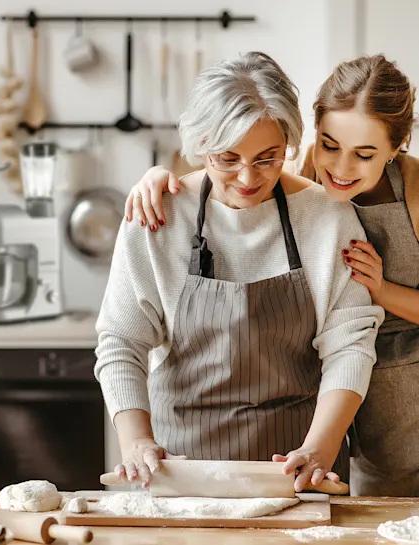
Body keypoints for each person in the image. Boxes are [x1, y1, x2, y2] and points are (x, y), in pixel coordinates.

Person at [126, 54, 419, 496]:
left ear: (397, 148)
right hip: (301, 397)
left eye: (364, 154)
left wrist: (381, 290)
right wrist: (158, 179)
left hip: (388, 396)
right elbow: (238, 162)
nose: (340, 169)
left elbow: (350, 340)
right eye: (330, 145)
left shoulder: (391, 197)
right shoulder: (296, 179)